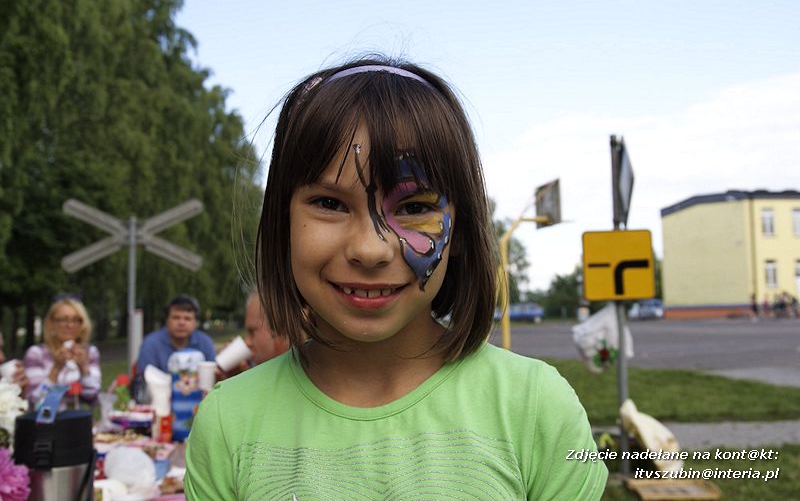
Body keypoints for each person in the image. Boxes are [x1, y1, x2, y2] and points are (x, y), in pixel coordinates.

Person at [185, 59, 608, 499]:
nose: (370, 249)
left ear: (460, 231)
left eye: (412, 208)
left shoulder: (535, 409)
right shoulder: (227, 424)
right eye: (329, 203)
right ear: (281, 224)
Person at [23, 296, 101, 407]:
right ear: (51, 323)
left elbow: (92, 397)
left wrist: (83, 368)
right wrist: (56, 369)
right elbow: (35, 401)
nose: (70, 325)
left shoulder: (90, 352)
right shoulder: (36, 353)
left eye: (76, 320)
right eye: (63, 320)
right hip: (48, 422)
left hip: (80, 421)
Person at [135, 294, 216, 375]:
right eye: (176, 317)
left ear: (195, 322)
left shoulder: (205, 342)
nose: (181, 323)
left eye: (187, 318)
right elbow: (144, 379)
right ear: (166, 320)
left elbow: (213, 375)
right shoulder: (150, 344)